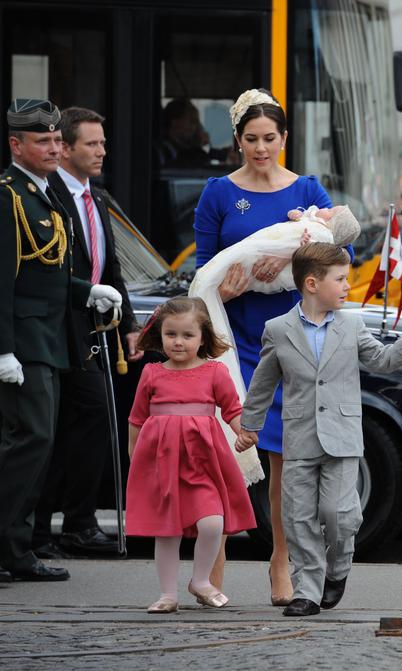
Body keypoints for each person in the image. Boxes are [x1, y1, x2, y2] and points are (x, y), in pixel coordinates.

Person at [237, 243, 402, 617]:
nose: (347, 286)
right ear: (312, 284)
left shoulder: (352, 325)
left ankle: (339, 567)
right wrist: (249, 426)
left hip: (342, 437)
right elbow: (262, 384)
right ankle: (307, 591)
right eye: (341, 279)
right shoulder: (277, 330)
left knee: (339, 513)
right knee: (298, 518)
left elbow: (381, 360)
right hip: (299, 438)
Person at [193, 88, 337, 604]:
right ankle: (214, 561)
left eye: (269, 138)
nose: (260, 148)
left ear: (284, 138)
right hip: (231, 336)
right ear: (237, 140)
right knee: (221, 449)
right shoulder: (217, 193)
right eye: (251, 139)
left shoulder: (308, 191)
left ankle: (281, 560)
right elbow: (203, 271)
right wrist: (228, 289)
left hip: (289, 336)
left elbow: (333, 262)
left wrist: (292, 262)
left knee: (282, 455)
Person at [0, 99, 123, 583]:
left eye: (56, 139)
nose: (53, 148)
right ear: (16, 145)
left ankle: (16, 549)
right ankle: (11, 546)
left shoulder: (43, 194)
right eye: (43, 141)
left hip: (46, 340)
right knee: (29, 442)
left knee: (39, 443)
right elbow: (3, 282)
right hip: (23, 343)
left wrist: (85, 291)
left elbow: (45, 275)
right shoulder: (9, 197)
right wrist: (3, 349)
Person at [33, 107, 143, 559]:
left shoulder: (96, 197)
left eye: (103, 143)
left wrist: (129, 325)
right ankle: (42, 530)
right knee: (53, 430)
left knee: (91, 420)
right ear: (66, 148)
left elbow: (110, 267)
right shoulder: (48, 194)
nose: (102, 152)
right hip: (56, 329)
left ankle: (77, 523)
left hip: (94, 330)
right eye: (92, 144)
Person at [126, 297, 256, 613]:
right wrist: (135, 459)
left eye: (187, 335)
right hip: (162, 465)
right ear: (160, 335)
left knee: (212, 522)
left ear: (203, 337)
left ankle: (200, 580)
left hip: (203, 465)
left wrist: (244, 431)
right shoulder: (152, 373)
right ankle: (167, 594)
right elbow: (137, 420)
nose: (178, 342)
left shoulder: (215, 372)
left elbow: (232, 409)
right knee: (166, 531)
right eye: (171, 334)